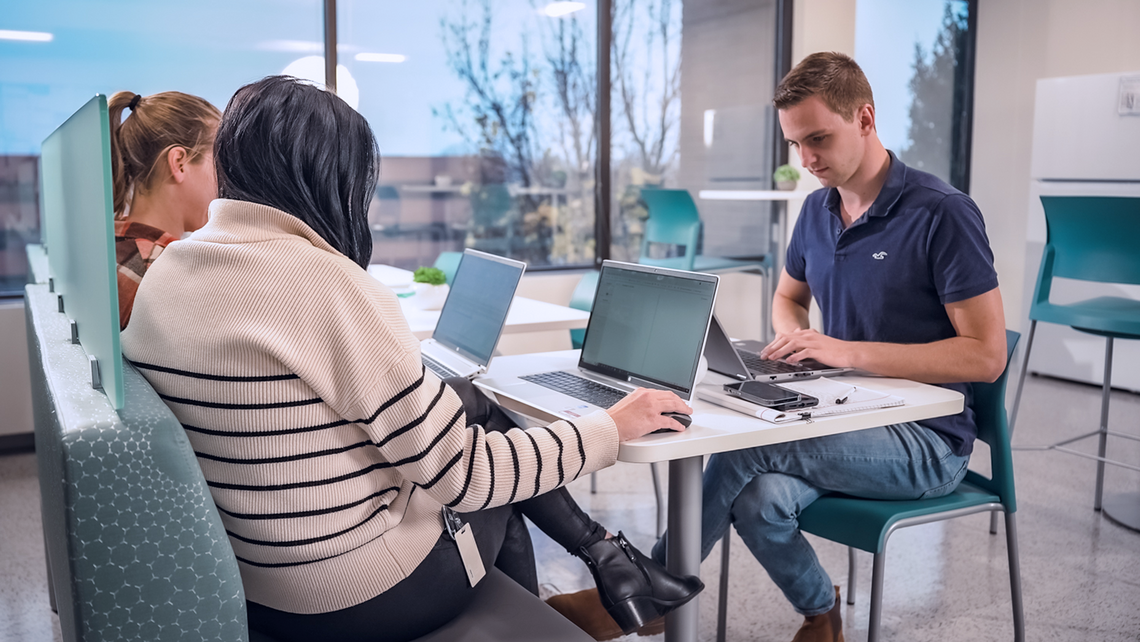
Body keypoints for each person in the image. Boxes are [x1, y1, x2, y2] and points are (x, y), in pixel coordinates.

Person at [120, 75, 702, 642]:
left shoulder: (168, 270)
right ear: (328, 178)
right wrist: (607, 428)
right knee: (497, 489)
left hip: (257, 582)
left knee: (473, 407)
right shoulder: (326, 285)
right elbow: (467, 477)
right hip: (352, 598)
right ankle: (598, 576)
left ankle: (602, 573)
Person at [651, 52, 1006, 642]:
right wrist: (793, 335)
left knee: (742, 452)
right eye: (795, 144)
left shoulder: (942, 213)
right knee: (759, 499)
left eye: (819, 137)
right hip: (841, 412)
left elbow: (986, 355)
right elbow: (788, 297)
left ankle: (647, 590)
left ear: (865, 119)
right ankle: (824, 614)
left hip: (927, 438)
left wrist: (846, 351)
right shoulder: (817, 210)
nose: (807, 159)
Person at [107, 90, 221, 329]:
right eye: (219, 163)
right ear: (179, 162)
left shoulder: (111, 243)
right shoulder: (162, 275)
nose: (225, 182)